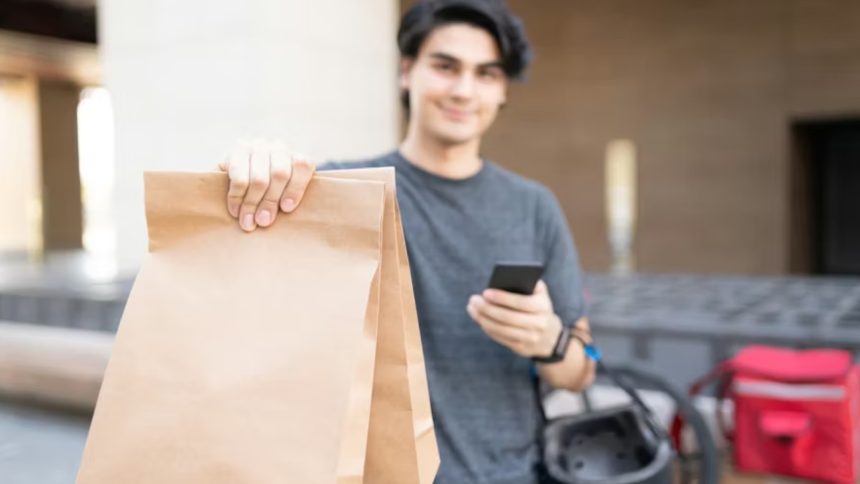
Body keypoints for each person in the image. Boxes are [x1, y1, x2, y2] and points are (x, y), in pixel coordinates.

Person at [218, 1, 595, 482]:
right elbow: (243, 266)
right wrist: (255, 170)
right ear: (407, 72)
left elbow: (582, 371)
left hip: (511, 473)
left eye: (486, 74)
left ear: (502, 91)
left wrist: (551, 342)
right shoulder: (342, 190)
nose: (463, 89)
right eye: (445, 66)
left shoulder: (534, 206)